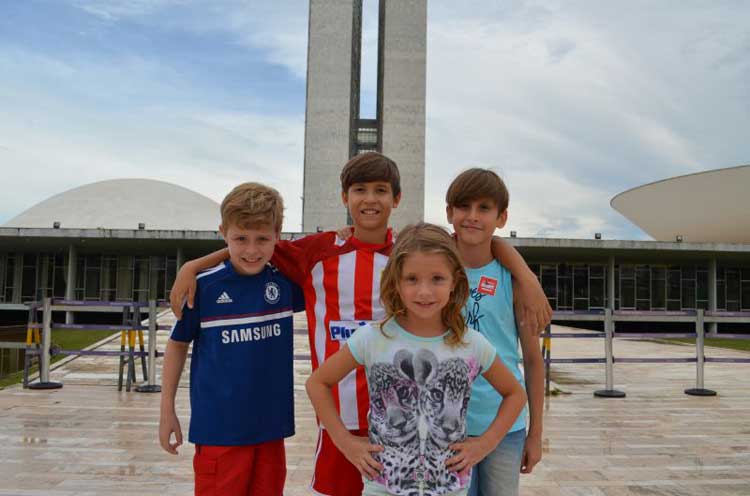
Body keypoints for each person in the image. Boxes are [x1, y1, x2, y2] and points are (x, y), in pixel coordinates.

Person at [168, 152, 550, 496]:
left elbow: (479, 241)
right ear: (344, 198)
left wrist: (525, 276)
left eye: (381, 190)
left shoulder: (410, 250)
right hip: (342, 420)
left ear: (396, 199)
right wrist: (195, 265)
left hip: (411, 424)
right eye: (360, 189)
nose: (370, 199)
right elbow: (252, 245)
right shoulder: (317, 251)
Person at [306, 223, 527, 496]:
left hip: (449, 488)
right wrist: (346, 442)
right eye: (412, 279)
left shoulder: (472, 344)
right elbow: (317, 383)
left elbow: (515, 393)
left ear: (455, 281)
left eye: (437, 279)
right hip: (383, 487)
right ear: (396, 281)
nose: (425, 291)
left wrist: (485, 443)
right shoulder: (372, 338)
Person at [158, 183, 304, 496]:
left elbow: (327, 263)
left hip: (270, 429)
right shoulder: (203, 288)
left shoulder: (285, 282)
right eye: (240, 239)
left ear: (277, 235)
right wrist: (167, 409)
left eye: (262, 239)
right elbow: (177, 344)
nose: (251, 250)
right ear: (224, 233)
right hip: (219, 432)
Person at [446, 169, 544, 496]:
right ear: (450, 213)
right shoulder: (433, 269)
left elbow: (532, 361)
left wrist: (535, 434)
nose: (472, 217)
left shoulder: (514, 283)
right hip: (446, 427)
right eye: (464, 207)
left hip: (505, 426)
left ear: (501, 217)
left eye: (484, 208)